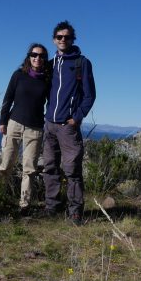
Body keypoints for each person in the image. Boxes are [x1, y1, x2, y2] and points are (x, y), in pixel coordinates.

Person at [41, 20, 96, 225]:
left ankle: (75, 211)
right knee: (50, 167)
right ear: (54, 39)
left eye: (67, 37)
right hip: (49, 124)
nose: (63, 40)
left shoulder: (82, 63)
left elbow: (89, 96)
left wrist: (76, 118)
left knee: (72, 170)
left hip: (67, 126)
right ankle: (52, 206)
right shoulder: (51, 63)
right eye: (59, 37)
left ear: (73, 39)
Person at [0, 43, 51, 211]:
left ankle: (24, 205)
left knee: (29, 169)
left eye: (42, 56)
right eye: (34, 55)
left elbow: (51, 104)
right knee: (6, 164)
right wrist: (2, 121)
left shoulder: (48, 80)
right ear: (29, 56)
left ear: (45, 59)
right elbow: (8, 98)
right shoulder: (18, 75)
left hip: (35, 129)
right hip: (14, 124)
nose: (37, 58)